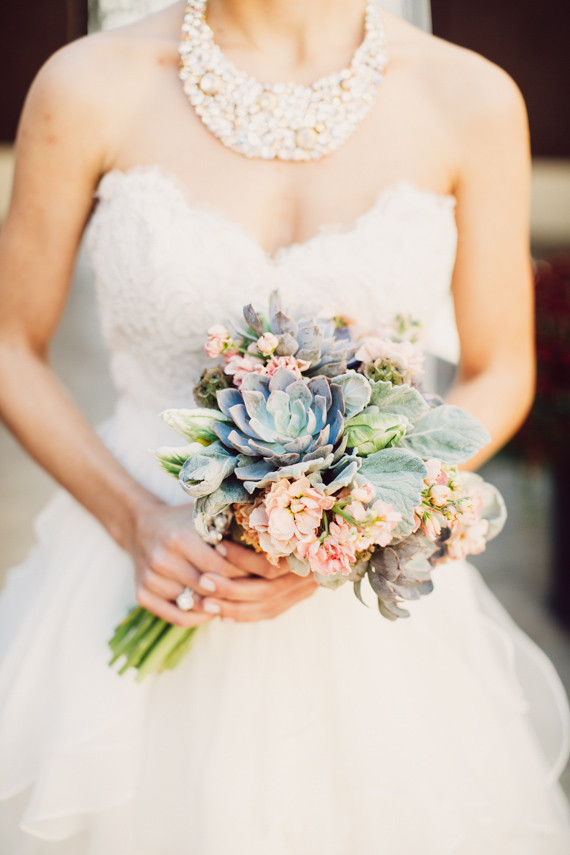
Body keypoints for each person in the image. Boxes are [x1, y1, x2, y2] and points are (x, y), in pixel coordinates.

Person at [0, 1, 569, 852]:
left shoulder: (471, 98)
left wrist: (353, 521)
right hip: (140, 561)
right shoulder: (87, 84)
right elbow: (10, 343)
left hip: (367, 619)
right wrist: (136, 520)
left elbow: (501, 369)